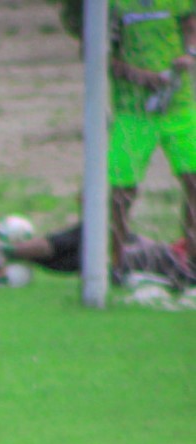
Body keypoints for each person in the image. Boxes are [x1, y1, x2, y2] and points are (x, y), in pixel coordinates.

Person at [106, 0, 196, 283]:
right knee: (122, 191)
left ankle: (191, 265)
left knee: (193, 181)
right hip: (133, 109)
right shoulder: (113, 6)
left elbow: (191, 28)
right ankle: (115, 264)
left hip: (177, 106)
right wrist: (140, 76)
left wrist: (189, 55)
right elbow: (97, 54)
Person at [0, 196, 194, 290]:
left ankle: (6, 249)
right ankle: (5, 248)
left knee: (93, 238)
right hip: (162, 253)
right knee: (91, 239)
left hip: (168, 263)